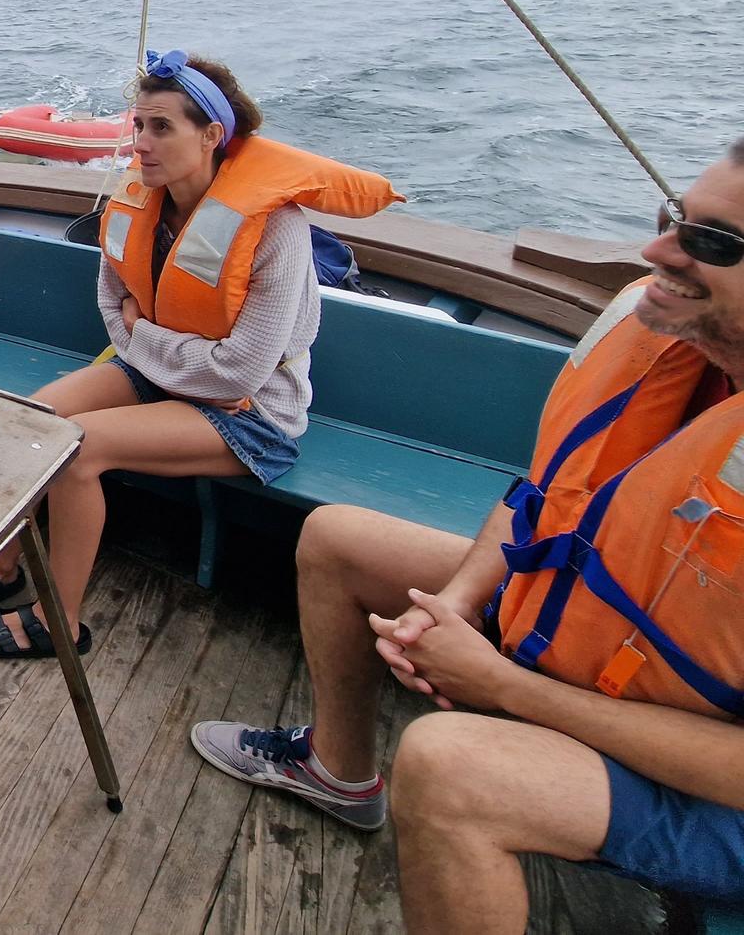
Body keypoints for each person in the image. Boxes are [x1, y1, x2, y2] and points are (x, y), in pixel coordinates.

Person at [191, 141, 744, 933]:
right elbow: (543, 499)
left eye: (713, 243)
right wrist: (453, 605)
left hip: (717, 788)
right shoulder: (680, 348)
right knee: (337, 540)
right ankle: (338, 775)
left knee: (449, 767)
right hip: (601, 641)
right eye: (675, 221)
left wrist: (502, 687)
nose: (658, 251)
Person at [0, 51, 399, 659]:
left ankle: (60, 618)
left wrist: (148, 339)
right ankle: (5, 565)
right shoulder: (143, 200)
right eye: (138, 125)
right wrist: (155, 346)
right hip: (160, 378)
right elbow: (111, 301)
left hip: (249, 415)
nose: (141, 142)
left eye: (162, 127)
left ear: (213, 134)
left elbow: (241, 370)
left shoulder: (276, 228)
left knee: (76, 451)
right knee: (29, 419)